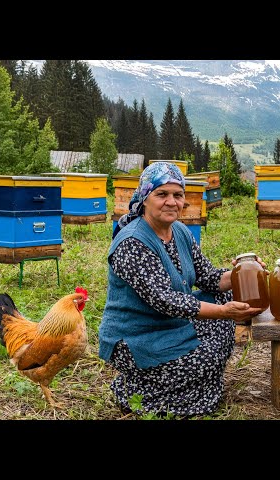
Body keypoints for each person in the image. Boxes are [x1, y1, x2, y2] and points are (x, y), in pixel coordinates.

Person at [98, 161, 266, 417]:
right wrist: (224, 313)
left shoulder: (179, 231)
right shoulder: (133, 243)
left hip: (171, 325)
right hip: (137, 337)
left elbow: (209, 278)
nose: (171, 202)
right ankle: (136, 392)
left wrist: (245, 272)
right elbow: (167, 301)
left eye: (178, 195)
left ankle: (185, 385)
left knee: (227, 294)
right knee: (207, 359)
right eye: (162, 194)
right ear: (145, 198)